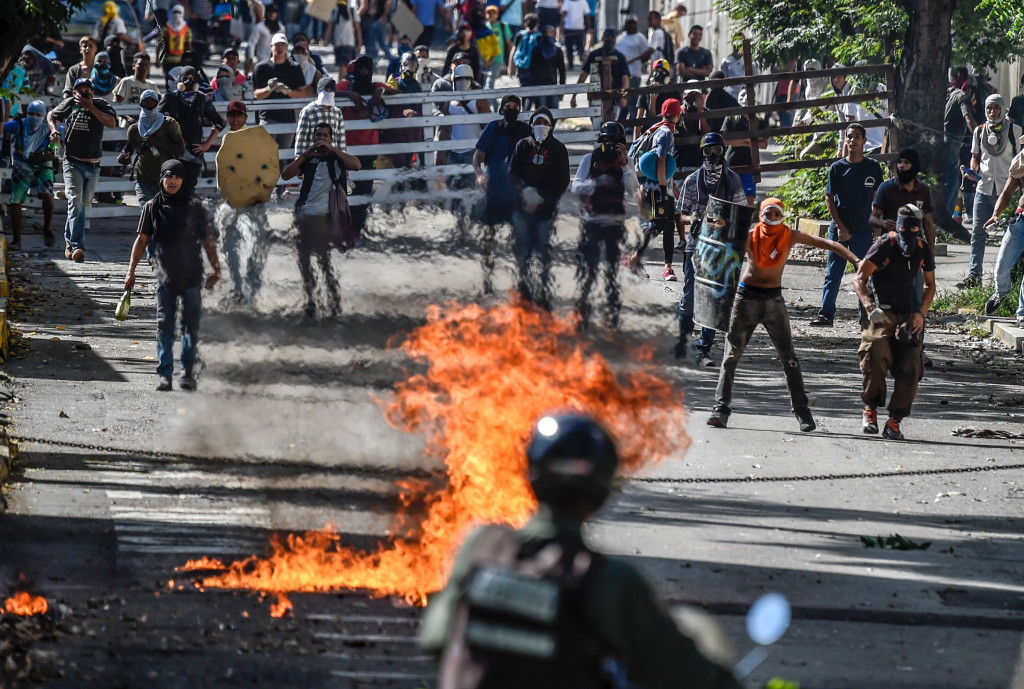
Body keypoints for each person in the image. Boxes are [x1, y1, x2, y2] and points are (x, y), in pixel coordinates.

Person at [419, 410, 744, 689]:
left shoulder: (482, 544)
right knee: (699, 630)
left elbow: (434, 638)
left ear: (531, 475)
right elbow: (680, 672)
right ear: (602, 493)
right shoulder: (607, 581)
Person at [708, 198, 861, 432]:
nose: (771, 218)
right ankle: (720, 410)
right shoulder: (749, 235)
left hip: (773, 302)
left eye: (775, 214)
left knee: (789, 359)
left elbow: (829, 244)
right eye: (767, 214)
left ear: (783, 215)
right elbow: (718, 243)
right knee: (731, 356)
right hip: (746, 299)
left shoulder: (791, 235)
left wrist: (856, 261)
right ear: (760, 215)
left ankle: (802, 412)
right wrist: (716, 225)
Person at [124, 160, 221, 392]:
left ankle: (187, 372)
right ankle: (165, 374)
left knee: (190, 326)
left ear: (183, 180)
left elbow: (208, 241)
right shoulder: (151, 206)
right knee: (164, 326)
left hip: (192, 276)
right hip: (165, 277)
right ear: (161, 179)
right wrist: (131, 270)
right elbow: (141, 241)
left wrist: (216, 269)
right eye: (169, 176)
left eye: (177, 177)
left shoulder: (195, 207)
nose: (173, 181)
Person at [853, 204, 936, 441]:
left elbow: (931, 285)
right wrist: (869, 306)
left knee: (911, 365)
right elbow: (859, 278)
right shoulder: (884, 245)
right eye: (904, 228)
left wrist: (921, 313)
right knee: (875, 355)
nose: (908, 233)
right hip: (881, 313)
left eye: (913, 228)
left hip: (909, 315)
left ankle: (894, 421)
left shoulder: (922, 249)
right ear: (897, 228)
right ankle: (870, 409)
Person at [674, 132, 746, 367]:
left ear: (723, 151)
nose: (713, 155)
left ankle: (703, 349)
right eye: (708, 150)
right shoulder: (692, 181)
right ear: (702, 152)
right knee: (689, 299)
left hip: (721, 248)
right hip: (696, 248)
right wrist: (692, 218)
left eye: (717, 150)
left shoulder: (733, 180)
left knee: (714, 301)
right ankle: (682, 340)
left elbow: (741, 212)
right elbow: (680, 213)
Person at [281, 123, 362, 319]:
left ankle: (333, 302)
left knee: (324, 261)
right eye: (318, 135)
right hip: (304, 215)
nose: (322, 138)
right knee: (304, 262)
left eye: (326, 135)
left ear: (331, 138)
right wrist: (304, 156)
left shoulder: (337, 158)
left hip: (324, 217)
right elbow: (285, 175)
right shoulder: (309, 159)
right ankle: (311, 301)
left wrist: (333, 150)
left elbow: (357, 165)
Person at [808, 123, 883, 327]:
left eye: (857, 136)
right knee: (833, 274)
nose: (853, 140)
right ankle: (826, 314)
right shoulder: (838, 168)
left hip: (863, 230)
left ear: (864, 141)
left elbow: (877, 198)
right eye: (849, 136)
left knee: (864, 274)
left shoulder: (873, 167)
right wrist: (840, 226)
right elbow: (829, 199)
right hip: (840, 230)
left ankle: (865, 315)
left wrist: (877, 224)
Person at [572, 121, 635, 329]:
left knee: (611, 272)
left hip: (615, 224)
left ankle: (612, 316)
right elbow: (576, 187)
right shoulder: (589, 159)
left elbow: (634, 189)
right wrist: (597, 183)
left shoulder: (626, 162)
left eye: (614, 141)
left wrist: (625, 163)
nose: (609, 145)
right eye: (606, 140)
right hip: (592, 222)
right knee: (588, 271)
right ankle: (582, 314)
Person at [47, 78, 117, 263]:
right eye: (79, 91)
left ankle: (69, 239)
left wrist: (90, 106)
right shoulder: (70, 104)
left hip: (93, 163)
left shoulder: (101, 104)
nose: (83, 94)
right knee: (75, 202)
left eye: (86, 91)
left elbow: (111, 123)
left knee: (84, 205)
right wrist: (54, 130)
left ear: (92, 92)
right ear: (74, 92)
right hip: (72, 162)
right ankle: (78, 246)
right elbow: (51, 115)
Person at [508, 107, 570, 310]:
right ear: (531, 125)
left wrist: (543, 199)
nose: (540, 127)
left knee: (543, 250)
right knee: (522, 250)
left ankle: (543, 292)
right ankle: (523, 289)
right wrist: (524, 196)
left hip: (545, 210)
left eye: (545, 123)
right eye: (537, 123)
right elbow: (512, 175)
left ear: (551, 126)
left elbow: (563, 180)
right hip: (522, 209)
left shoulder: (559, 148)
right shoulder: (522, 145)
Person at [958, 94, 1021, 287]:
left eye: (995, 108)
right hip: (984, 187)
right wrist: (973, 168)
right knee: (978, 232)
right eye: (988, 108)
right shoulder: (979, 131)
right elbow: (975, 156)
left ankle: (1009, 277)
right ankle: (974, 275)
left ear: (1002, 108)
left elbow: (1020, 159)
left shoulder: (1015, 130)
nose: (992, 112)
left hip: (1008, 189)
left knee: (1011, 234)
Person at [474, 94, 531, 293]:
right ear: (501, 109)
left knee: (520, 240)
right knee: (488, 238)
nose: (512, 109)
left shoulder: (526, 131)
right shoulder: (493, 128)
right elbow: (478, 156)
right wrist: (480, 174)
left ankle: (520, 281)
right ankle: (487, 281)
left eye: (516, 106)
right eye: (508, 106)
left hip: (518, 195)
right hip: (495, 192)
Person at [631, 98, 683, 281]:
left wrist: (672, 185)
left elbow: (666, 162)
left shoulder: (660, 128)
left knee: (668, 226)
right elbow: (660, 160)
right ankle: (634, 258)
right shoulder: (665, 132)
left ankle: (668, 268)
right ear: (677, 115)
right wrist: (662, 189)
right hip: (656, 188)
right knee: (658, 223)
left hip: (663, 185)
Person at [157, 66, 226, 194]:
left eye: (192, 79)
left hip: (194, 155)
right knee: (171, 189)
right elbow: (156, 119)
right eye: (186, 78)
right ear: (180, 80)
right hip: (174, 153)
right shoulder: (170, 98)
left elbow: (220, 122)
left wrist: (207, 144)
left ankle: (185, 214)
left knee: (188, 190)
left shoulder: (202, 99)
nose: (189, 82)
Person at [1, 100, 57, 250]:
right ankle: (17, 240)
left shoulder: (48, 128)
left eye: (38, 114)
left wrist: (52, 151)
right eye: (31, 113)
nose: (34, 117)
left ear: (44, 116)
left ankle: (48, 227)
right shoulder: (19, 124)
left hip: (43, 162)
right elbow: (3, 127)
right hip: (22, 161)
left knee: (48, 194)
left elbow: (57, 143)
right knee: (16, 199)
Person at [118, 90, 185, 207]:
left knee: (164, 217)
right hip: (144, 181)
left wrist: (157, 143)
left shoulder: (168, 124)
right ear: (140, 104)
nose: (149, 104)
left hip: (166, 180)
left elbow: (180, 151)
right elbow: (126, 151)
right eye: (146, 101)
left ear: (157, 103)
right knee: (147, 213)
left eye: (152, 101)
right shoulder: (134, 129)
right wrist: (124, 158)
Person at [253, 33, 314, 150]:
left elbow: (301, 94)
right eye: (277, 45)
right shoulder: (261, 68)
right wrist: (268, 89)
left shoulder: (294, 67)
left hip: (288, 118)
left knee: (284, 155)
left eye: (282, 45)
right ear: (271, 47)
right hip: (267, 117)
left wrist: (287, 91)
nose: (280, 48)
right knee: (266, 155)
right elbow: (256, 95)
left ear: (287, 47)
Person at [981, 163, 1024, 326]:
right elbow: (1007, 192)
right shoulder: (1021, 163)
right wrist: (995, 214)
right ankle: (1001, 292)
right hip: (1021, 220)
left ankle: (1022, 312)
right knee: (1002, 266)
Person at [942, 66, 979, 219]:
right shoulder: (962, 97)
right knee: (952, 181)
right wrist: (982, 137)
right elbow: (970, 121)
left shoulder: (948, 94)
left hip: (940, 144)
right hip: (951, 147)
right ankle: (946, 218)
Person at [721, 89, 767, 206]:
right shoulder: (731, 119)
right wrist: (749, 141)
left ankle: (745, 224)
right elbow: (725, 141)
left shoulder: (759, 121)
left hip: (750, 164)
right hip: (732, 163)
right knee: (730, 198)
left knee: (749, 198)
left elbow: (764, 144)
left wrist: (740, 141)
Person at [570, 29, 629, 117]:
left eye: (612, 38)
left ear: (615, 40)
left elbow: (625, 77)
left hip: (614, 96)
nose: (609, 40)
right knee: (596, 121)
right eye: (607, 37)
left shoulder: (620, 57)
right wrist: (574, 95)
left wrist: (624, 96)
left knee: (612, 124)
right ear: (602, 39)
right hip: (596, 95)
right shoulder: (594, 55)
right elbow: (584, 74)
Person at [615, 15, 653, 122]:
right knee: (624, 102)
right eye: (629, 23)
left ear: (637, 24)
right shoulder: (621, 37)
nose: (631, 25)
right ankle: (622, 123)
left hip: (633, 74)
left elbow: (646, 55)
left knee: (631, 102)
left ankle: (635, 125)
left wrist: (636, 61)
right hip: (621, 75)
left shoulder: (640, 38)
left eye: (633, 23)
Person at [296, 76, 347, 155]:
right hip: (312, 157)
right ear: (319, 91)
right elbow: (301, 138)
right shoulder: (309, 111)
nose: (329, 93)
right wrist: (299, 159)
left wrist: (343, 159)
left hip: (332, 158)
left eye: (331, 90)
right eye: (326, 90)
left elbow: (341, 138)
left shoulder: (337, 112)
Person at [532, 26, 566, 110]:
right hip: (539, 85)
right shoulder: (537, 50)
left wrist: (562, 89)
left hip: (553, 84)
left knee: (554, 109)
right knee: (541, 109)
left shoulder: (557, 51)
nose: (548, 35)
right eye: (546, 32)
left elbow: (562, 70)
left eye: (550, 32)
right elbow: (532, 69)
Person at [326, 0, 362, 70]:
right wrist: (359, 43)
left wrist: (326, 40)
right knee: (346, 66)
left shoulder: (334, 12)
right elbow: (358, 29)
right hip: (349, 43)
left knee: (342, 66)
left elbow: (329, 28)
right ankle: (344, 80)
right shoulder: (352, 11)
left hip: (338, 43)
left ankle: (341, 80)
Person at [245, 2, 279, 73]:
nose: (272, 14)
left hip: (275, 62)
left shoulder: (281, 28)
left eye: (274, 12)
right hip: (262, 60)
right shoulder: (259, 27)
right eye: (270, 12)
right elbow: (252, 43)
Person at [719, 34, 755, 99]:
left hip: (746, 95)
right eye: (735, 41)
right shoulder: (726, 61)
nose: (738, 44)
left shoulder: (750, 60)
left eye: (740, 41)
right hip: (731, 95)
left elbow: (756, 76)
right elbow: (724, 78)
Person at [162, 5, 193, 75]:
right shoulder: (166, 28)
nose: (177, 15)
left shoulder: (186, 29)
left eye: (178, 12)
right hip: (168, 61)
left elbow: (189, 47)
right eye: (175, 12)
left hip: (180, 61)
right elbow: (161, 45)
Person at [561, 0, 587, 69]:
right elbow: (587, 14)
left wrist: (561, 27)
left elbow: (563, 14)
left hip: (571, 28)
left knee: (571, 48)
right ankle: (579, 62)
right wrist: (588, 27)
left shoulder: (568, 2)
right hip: (576, 28)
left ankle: (572, 64)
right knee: (578, 47)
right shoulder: (582, 2)